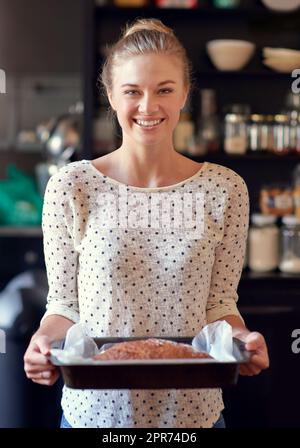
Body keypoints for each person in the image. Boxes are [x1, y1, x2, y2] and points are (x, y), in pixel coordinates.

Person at [24, 18, 269, 428]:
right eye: (133, 91)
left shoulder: (225, 189)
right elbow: (65, 305)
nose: (148, 107)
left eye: (165, 90)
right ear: (111, 96)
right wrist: (43, 343)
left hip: (193, 415)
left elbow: (220, 305)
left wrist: (242, 341)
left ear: (185, 94)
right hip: (96, 415)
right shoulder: (72, 186)